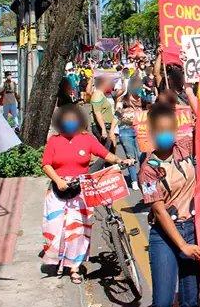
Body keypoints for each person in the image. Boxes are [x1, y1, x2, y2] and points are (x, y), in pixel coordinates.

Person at [41, 105, 134, 284]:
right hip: (58, 190)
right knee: (56, 228)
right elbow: (46, 164)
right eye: (66, 120)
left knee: (79, 229)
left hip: (81, 189)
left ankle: (74, 267)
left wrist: (121, 160)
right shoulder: (54, 141)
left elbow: (106, 154)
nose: (70, 123)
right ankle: (58, 259)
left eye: (73, 120)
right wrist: (59, 181)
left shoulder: (87, 139)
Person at [138, 104, 200, 307]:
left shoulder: (185, 148)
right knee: (163, 304)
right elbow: (158, 209)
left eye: (169, 129)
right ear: (152, 133)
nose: (165, 135)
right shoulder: (147, 169)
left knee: (190, 302)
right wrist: (183, 246)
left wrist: (192, 94)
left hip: (192, 229)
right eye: (160, 130)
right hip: (164, 236)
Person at [116, 78, 147, 190]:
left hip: (141, 130)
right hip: (125, 130)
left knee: (142, 156)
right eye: (138, 86)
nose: (139, 88)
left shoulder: (144, 100)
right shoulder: (122, 100)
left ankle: (143, 177)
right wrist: (125, 115)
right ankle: (134, 180)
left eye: (141, 86)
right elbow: (117, 114)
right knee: (130, 156)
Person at [90, 76, 117, 152]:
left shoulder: (102, 94)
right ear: (103, 84)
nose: (111, 84)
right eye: (108, 82)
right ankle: (101, 164)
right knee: (107, 152)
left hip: (107, 126)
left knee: (111, 150)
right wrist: (103, 130)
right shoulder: (97, 95)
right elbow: (97, 113)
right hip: (101, 127)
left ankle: (109, 164)